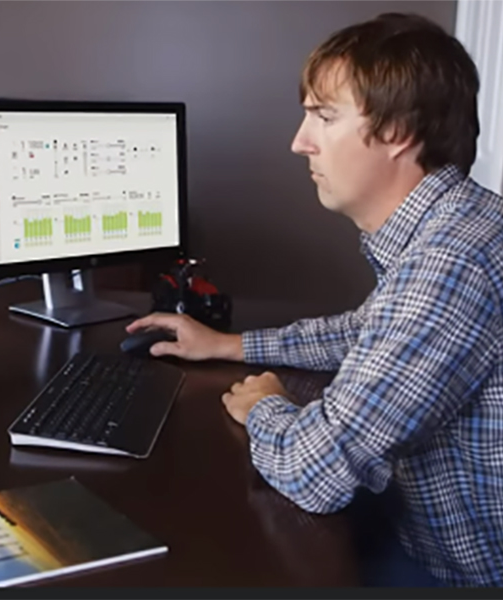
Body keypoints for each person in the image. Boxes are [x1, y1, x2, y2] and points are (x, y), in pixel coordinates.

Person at [128, 12, 502, 587]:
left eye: (324, 116)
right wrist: (230, 344)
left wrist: (265, 406)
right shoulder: (462, 225)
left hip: (461, 574)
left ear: (398, 131)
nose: (299, 142)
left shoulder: (450, 267)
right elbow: (369, 330)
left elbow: (315, 470)